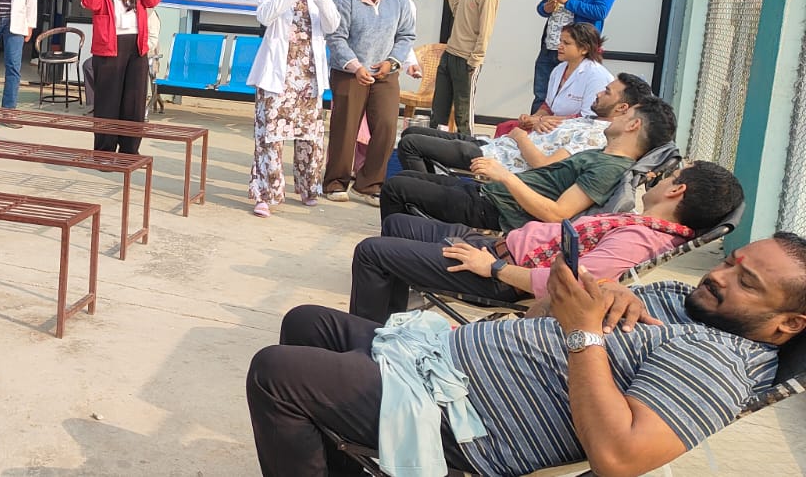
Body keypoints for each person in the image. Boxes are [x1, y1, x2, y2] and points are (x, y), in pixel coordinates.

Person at [247, 232, 806, 477]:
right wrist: (581, 298)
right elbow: (540, 318)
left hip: (464, 422)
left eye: (746, 282)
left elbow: (621, 459)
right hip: (439, 361)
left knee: (278, 373)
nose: (718, 276)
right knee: (306, 321)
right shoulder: (679, 300)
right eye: (730, 261)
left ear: (788, 324)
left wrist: (585, 331)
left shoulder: (720, 359)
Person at [350, 159, 744, 322]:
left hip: (499, 273)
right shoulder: (645, 225)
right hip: (500, 249)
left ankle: (365, 343)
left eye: (670, 176)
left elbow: (570, 283)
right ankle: (390, 323)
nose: (658, 179)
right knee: (399, 223)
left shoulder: (641, 240)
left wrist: (493, 267)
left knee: (371, 253)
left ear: (677, 191)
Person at [379, 98, 675, 232]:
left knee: (396, 188)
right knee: (404, 181)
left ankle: (401, 260)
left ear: (633, 125)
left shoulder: (610, 168)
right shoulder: (603, 153)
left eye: (625, 116)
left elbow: (557, 214)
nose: (616, 118)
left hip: (496, 209)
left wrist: (505, 177)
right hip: (491, 194)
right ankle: (409, 244)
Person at [245, 0, 340, 217]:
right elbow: (264, 16)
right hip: (277, 77)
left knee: (310, 136)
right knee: (270, 137)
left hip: (308, 78)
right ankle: (266, 194)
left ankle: (309, 187)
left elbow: (333, 25)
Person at [397, 73, 653, 175]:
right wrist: (538, 124)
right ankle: (427, 183)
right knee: (412, 132)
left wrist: (520, 137)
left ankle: (424, 190)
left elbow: (546, 165)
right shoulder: (589, 120)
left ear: (622, 108)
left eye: (607, 92)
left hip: (497, 160)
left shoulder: (597, 136)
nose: (598, 93)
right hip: (494, 146)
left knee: (411, 144)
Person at [323, 0, 416, 206]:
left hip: (385, 73)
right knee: (345, 128)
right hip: (349, 73)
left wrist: (392, 62)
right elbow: (336, 38)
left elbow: (406, 35)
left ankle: (369, 184)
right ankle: (335, 182)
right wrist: (355, 66)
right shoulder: (344, 0)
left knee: (386, 126)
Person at [81, 0, 161, 154]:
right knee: (108, 101)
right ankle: (104, 152)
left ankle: (130, 151)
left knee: (133, 102)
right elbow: (91, 3)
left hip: (136, 44)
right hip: (109, 44)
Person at [534, 0, 616, 112]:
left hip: (577, 50)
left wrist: (568, 2)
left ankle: (562, 125)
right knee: (542, 94)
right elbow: (541, 8)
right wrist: (546, 8)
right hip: (551, 45)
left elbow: (600, 11)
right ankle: (534, 124)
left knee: (572, 94)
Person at [433, 0, 502, 130]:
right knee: (438, 111)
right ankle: (433, 144)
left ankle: (467, 146)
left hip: (467, 59)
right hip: (450, 53)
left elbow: (485, 30)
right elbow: (458, 11)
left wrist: (475, 60)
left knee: (463, 114)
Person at [504, 22, 614, 137]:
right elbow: (548, 106)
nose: (559, 46)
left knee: (514, 139)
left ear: (584, 49)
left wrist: (542, 120)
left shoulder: (596, 76)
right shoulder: (559, 69)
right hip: (554, 127)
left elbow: (587, 118)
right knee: (507, 128)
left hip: (578, 133)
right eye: (560, 41)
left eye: (566, 43)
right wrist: (532, 118)